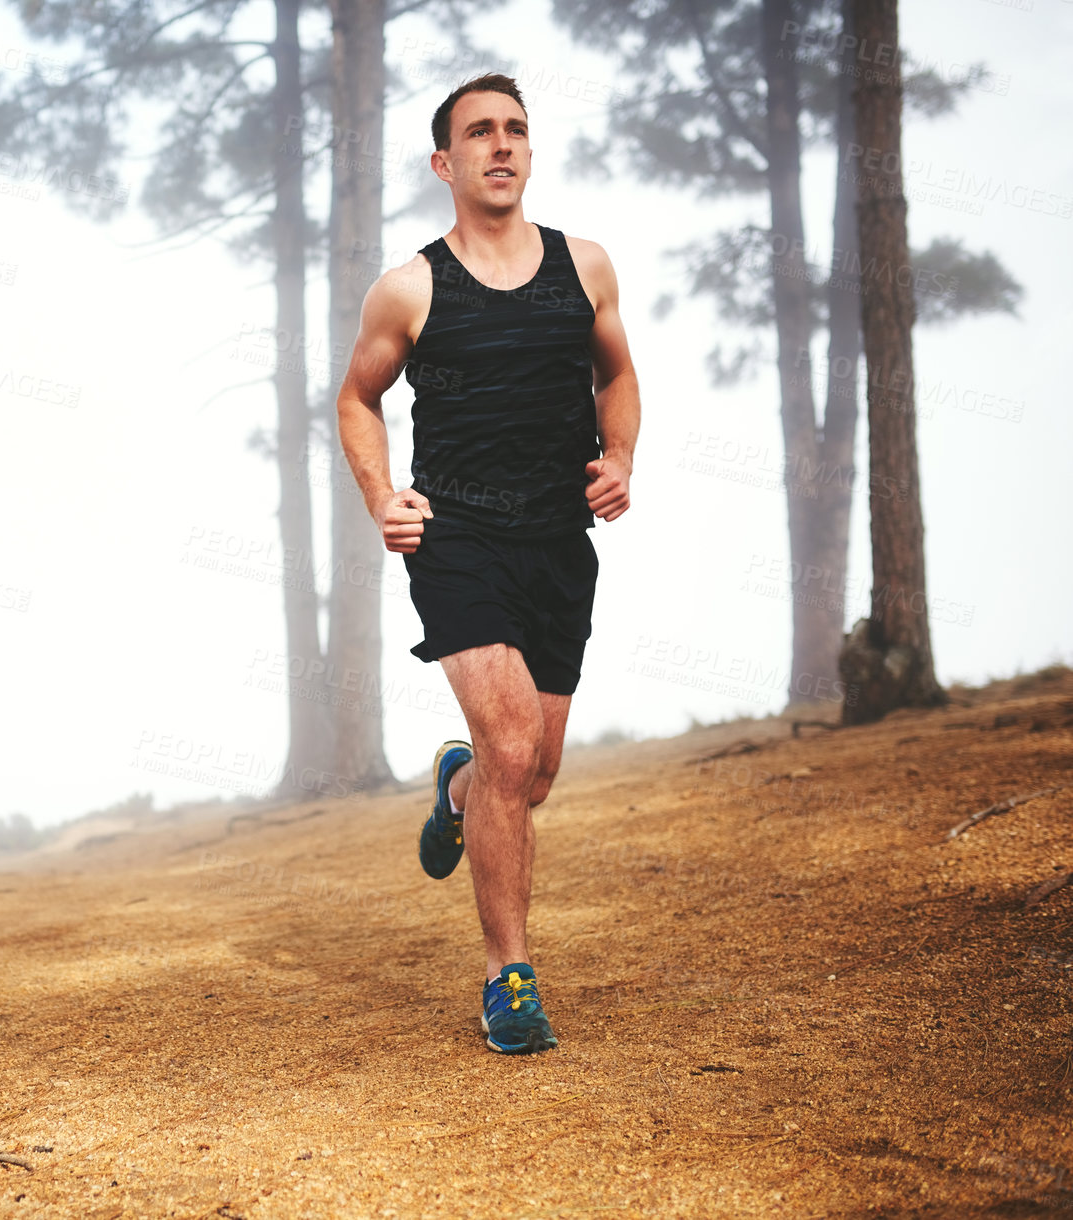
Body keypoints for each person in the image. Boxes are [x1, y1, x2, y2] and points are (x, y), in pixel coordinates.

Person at [334, 72, 641, 1055]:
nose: (500, 145)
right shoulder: (412, 286)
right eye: (479, 133)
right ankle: (511, 976)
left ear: (529, 151)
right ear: (446, 162)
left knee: (530, 774)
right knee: (514, 744)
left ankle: (458, 787)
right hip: (457, 541)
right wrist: (385, 496)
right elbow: (355, 398)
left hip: (560, 542)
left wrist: (621, 456)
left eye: (515, 130)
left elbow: (619, 372)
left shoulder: (585, 267)